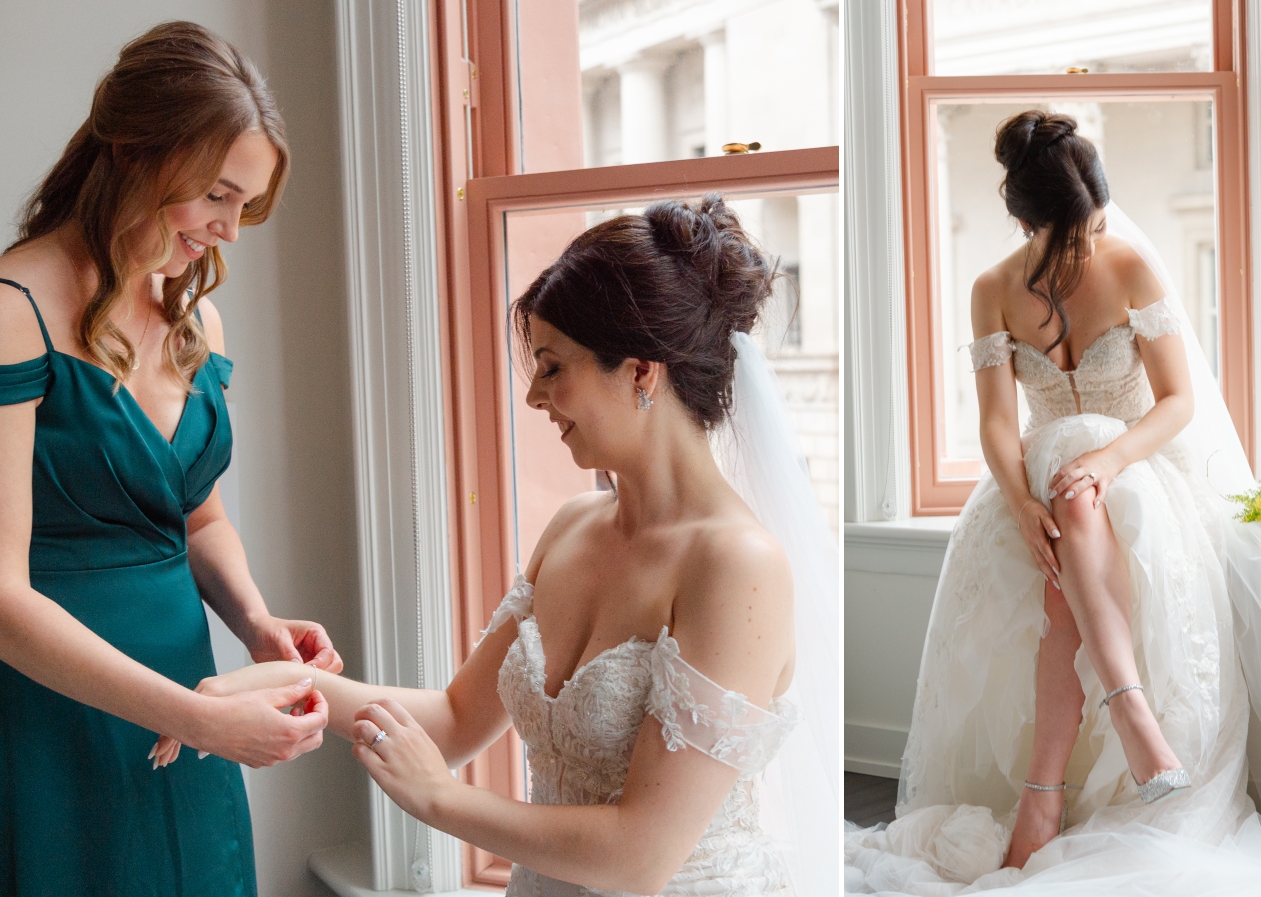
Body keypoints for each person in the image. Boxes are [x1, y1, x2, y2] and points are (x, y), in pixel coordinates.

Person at [155, 194, 839, 897]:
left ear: (641, 373)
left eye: (553, 367)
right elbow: (454, 720)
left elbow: (641, 856)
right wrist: (276, 683)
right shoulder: (573, 525)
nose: (536, 398)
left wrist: (441, 801)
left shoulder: (737, 567)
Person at [844, 110, 1261, 894]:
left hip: (1133, 473)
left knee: (1078, 498)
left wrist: (1107, 459)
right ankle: (1127, 712)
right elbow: (994, 419)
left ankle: (1047, 793)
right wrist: (1020, 503)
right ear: (1026, 219)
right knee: (1063, 503)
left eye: (1089, 228)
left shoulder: (1132, 269)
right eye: (1068, 232)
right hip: (1040, 489)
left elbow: (1179, 400)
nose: (1083, 247)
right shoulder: (990, 289)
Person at [0, 22, 339, 896]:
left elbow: (198, 518)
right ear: (136, 150)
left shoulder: (198, 322)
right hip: (41, 714)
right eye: (217, 195)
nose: (230, 230)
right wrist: (194, 713)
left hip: (187, 702)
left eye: (248, 205)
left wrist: (256, 622)